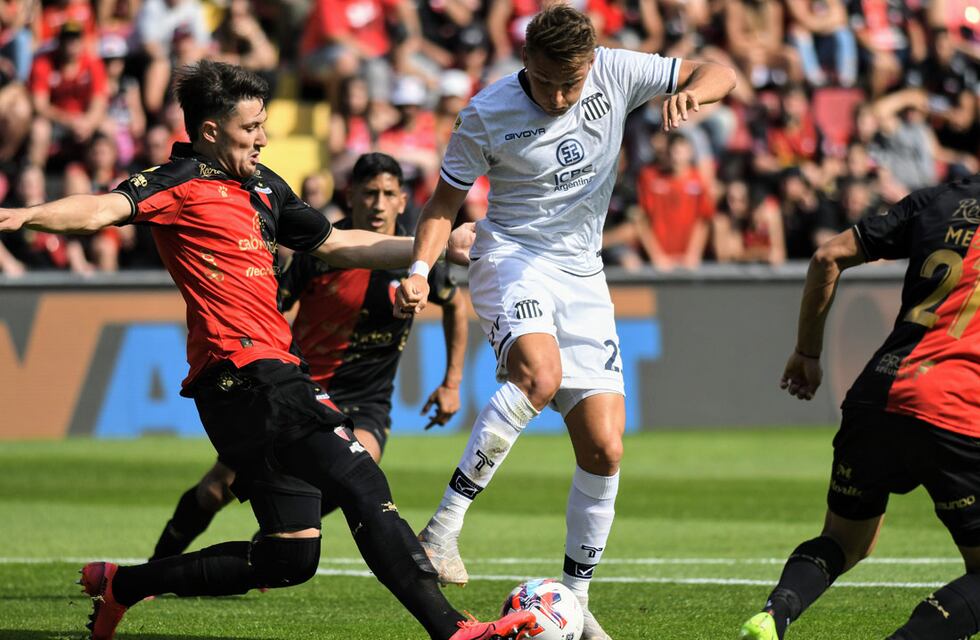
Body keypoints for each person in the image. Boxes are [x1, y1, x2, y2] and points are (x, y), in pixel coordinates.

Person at [0, 60, 536, 640]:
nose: (263, 138)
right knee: (361, 480)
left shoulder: (263, 187)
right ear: (211, 131)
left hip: (252, 385)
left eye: (263, 125)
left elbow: (338, 243)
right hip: (248, 374)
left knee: (291, 557)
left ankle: (122, 586)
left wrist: (428, 249)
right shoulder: (179, 180)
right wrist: (26, 215)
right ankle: (454, 631)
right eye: (251, 127)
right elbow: (103, 208)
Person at [395, 5, 736, 639]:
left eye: (570, 84)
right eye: (547, 81)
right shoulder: (486, 113)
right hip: (512, 256)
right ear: (525, 61)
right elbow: (444, 205)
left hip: (584, 273)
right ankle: (442, 530)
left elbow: (721, 71)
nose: (558, 96)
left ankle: (574, 606)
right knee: (539, 375)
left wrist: (689, 95)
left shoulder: (616, 72)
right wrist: (419, 269)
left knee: (605, 448)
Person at [149, 151, 469, 561]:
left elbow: (456, 305)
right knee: (216, 488)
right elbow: (270, 307)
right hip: (301, 387)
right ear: (352, 197)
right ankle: (159, 563)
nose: (378, 203)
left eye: (389, 193)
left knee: (360, 465)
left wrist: (452, 382)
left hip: (366, 398)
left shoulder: (419, 259)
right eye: (370, 193)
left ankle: (278, 544)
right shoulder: (320, 254)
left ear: (403, 201)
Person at [738, 173, 980, 640]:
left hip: (877, 393)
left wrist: (807, 353)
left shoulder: (939, 199)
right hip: (953, 406)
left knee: (845, 540)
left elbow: (828, 256)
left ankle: (773, 615)